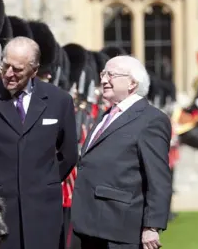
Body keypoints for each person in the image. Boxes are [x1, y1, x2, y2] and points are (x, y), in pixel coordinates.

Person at [0, 36, 78, 249]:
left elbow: (68, 154)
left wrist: (43, 179)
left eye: (18, 69)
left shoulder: (60, 101)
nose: (9, 74)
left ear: (34, 69)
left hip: (43, 208)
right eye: (6, 66)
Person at [71, 55, 172, 249]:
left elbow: (158, 177)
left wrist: (152, 226)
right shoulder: (106, 115)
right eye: (103, 74)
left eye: (111, 74)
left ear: (132, 83)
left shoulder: (151, 119)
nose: (103, 80)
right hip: (91, 224)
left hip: (121, 228)